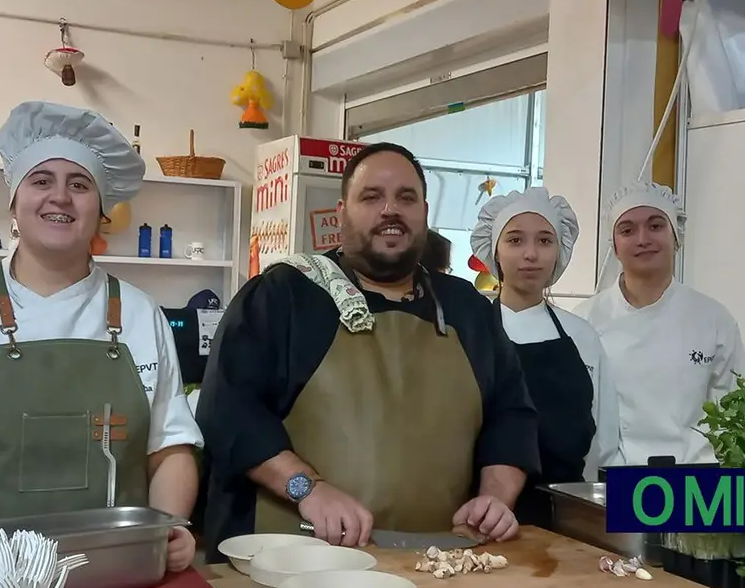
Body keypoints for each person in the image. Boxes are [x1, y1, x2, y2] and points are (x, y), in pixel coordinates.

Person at [0, 101, 203, 574]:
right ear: (13, 201)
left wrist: (169, 527)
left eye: (80, 185)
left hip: (111, 577)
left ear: (102, 210)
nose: (60, 198)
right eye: (41, 181)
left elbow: (169, 449)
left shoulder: (140, 314)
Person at [195, 141, 540, 560]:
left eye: (405, 197)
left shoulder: (467, 309)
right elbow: (228, 412)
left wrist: (495, 499)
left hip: (441, 561)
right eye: (371, 196)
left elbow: (511, 415)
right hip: (296, 559)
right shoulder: (283, 296)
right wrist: (309, 489)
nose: (390, 209)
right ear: (341, 212)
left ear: (425, 213)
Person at [469, 188, 620, 526]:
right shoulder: (472, 333)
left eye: (544, 241)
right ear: (493, 250)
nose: (531, 254)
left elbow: (605, 439)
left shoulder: (581, 335)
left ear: (559, 251)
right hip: (483, 516)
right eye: (515, 240)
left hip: (567, 516)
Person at [578, 182, 745, 465]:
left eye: (656, 226)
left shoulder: (713, 319)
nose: (642, 239)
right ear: (615, 246)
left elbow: (736, 410)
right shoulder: (584, 321)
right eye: (627, 230)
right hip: (611, 481)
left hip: (696, 484)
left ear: (676, 236)